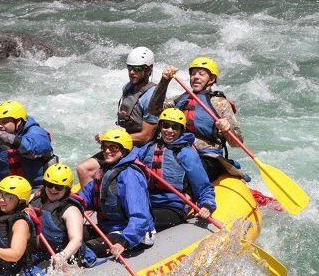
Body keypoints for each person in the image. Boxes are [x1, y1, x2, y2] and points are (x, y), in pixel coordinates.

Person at [149, 56, 246, 181]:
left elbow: (237, 142)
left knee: (187, 173)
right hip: (178, 150)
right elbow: (153, 110)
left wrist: (227, 130)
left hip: (207, 156)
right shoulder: (180, 99)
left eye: (201, 74)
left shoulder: (220, 103)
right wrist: (164, 81)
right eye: (193, 74)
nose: (195, 77)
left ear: (211, 79)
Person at [77, 47, 160, 187]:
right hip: (126, 143)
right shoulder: (128, 87)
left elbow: (146, 136)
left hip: (143, 147)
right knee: (82, 168)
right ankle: (92, 203)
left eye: (138, 69)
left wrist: (113, 140)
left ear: (148, 70)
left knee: (89, 169)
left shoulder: (152, 96)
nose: (132, 72)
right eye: (130, 68)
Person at [76, 129, 156, 260]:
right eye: (105, 147)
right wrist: (66, 200)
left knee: (85, 249)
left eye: (113, 148)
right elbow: (85, 196)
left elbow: (139, 216)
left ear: (124, 150)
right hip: (109, 227)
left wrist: (124, 241)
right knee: (67, 234)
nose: (107, 151)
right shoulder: (106, 170)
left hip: (134, 233)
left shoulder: (130, 175)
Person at [136, 108, 217, 231]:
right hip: (146, 204)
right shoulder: (148, 148)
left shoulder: (186, 153)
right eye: (166, 126)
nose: (169, 130)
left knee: (141, 222)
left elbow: (203, 185)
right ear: (160, 127)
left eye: (175, 127)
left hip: (172, 207)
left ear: (181, 130)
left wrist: (207, 205)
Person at [0, 99, 54, 188]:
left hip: (38, 191)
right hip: (8, 194)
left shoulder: (37, 133)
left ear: (19, 121)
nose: (0, 126)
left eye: (5, 122)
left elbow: (28, 147)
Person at [29, 163, 98, 270]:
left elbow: (76, 240)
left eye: (59, 187)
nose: (52, 189)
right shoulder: (36, 198)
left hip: (63, 256)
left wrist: (62, 256)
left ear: (67, 188)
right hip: (39, 253)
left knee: (30, 275)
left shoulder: (71, 210)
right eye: (49, 184)